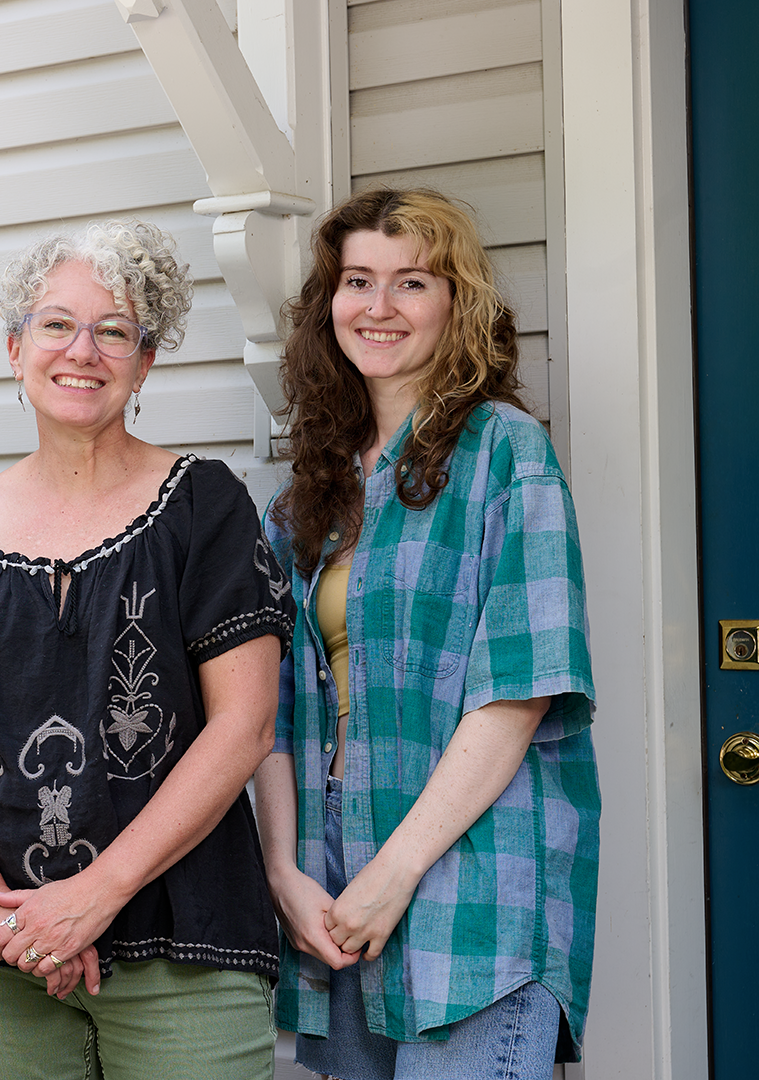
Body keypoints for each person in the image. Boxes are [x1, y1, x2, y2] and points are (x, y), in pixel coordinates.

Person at [0, 220, 292, 1079]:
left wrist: (90, 900)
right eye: (57, 324)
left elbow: (245, 727)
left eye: (115, 331)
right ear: (14, 347)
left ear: (145, 364)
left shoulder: (205, 507)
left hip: (185, 939)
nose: (85, 350)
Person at [255, 187, 597, 1080]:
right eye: (356, 280)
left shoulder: (506, 455)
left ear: (456, 303)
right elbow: (270, 708)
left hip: (471, 861)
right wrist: (287, 870)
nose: (377, 307)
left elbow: (517, 692)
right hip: (330, 860)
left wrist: (396, 870)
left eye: (411, 282)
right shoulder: (304, 497)